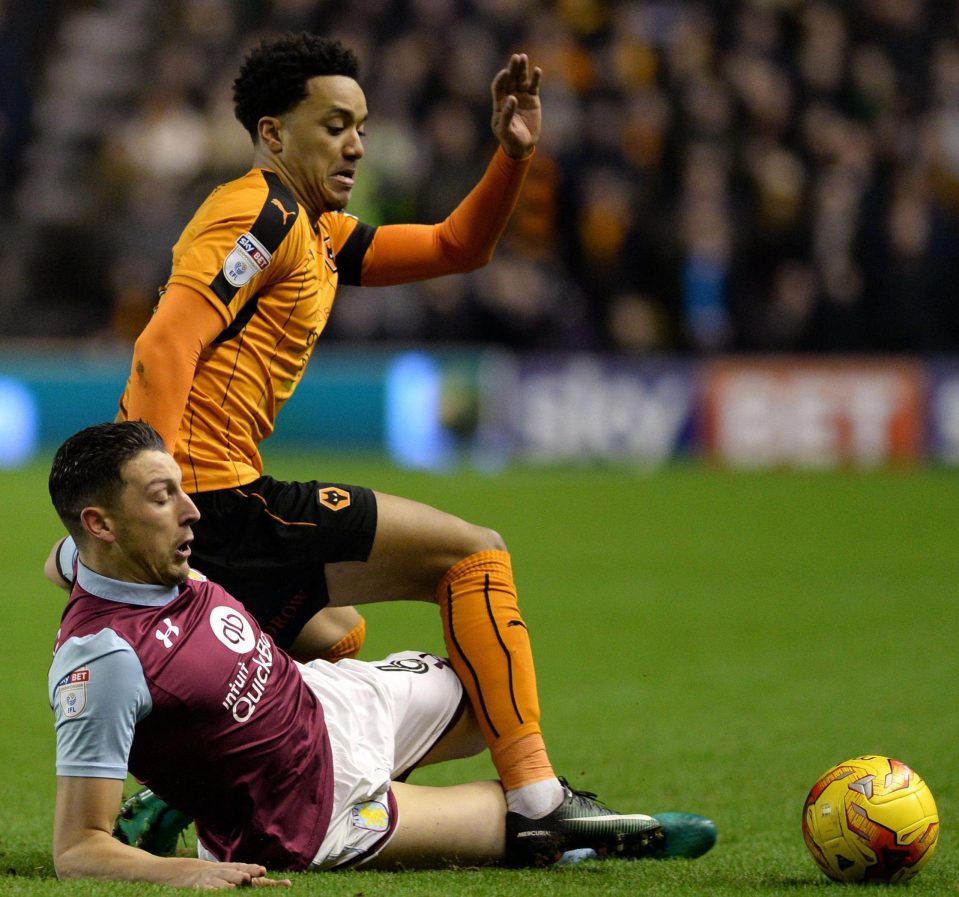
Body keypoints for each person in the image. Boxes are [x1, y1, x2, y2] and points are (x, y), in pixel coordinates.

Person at [65, 31, 592, 846]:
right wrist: (152, 498)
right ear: (274, 134)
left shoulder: (320, 230)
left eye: (362, 127)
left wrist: (512, 154)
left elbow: (460, 246)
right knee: (473, 555)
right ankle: (536, 800)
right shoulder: (261, 211)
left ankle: (194, 792)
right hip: (217, 498)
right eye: (334, 124)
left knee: (333, 634)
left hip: (220, 497)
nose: (354, 144)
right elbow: (164, 344)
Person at [47, 421, 715, 886]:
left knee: (491, 694)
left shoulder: (125, 552)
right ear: (103, 523)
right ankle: (557, 822)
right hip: (306, 813)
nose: (192, 510)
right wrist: (185, 871)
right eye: (164, 496)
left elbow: (66, 560)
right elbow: (77, 847)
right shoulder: (101, 663)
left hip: (326, 702)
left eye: (181, 486)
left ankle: (174, 798)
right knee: (525, 828)